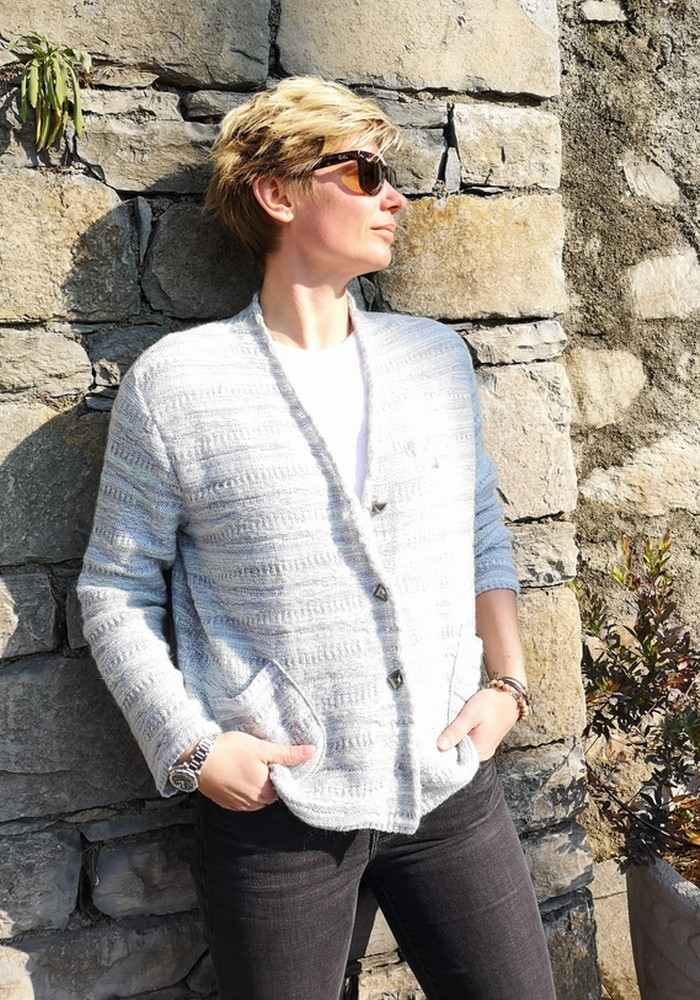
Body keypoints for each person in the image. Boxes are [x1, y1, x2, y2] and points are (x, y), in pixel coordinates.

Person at [78, 76, 556, 1000]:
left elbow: (479, 532)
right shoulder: (179, 384)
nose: (395, 197)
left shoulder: (433, 359)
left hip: (450, 783)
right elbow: (114, 589)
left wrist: (509, 684)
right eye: (365, 172)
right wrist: (192, 746)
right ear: (278, 193)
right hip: (278, 814)